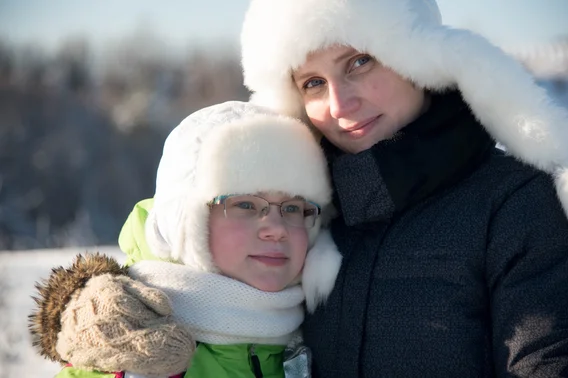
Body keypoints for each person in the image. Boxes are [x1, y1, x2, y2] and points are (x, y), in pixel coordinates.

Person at [238, 0, 568, 376]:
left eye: (359, 61)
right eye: (313, 83)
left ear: (418, 58)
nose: (340, 104)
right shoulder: (302, 220)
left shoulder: (520, 202)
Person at [29, 101, 342, 378]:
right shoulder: (119, 352)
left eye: (293, 207)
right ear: (184, 220)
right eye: (245, 204)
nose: (277, 227)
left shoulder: (325, 335)